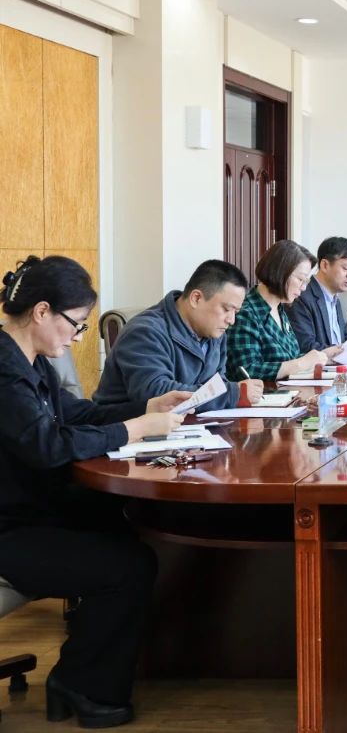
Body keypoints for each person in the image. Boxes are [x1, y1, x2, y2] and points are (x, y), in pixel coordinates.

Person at [0, 256, 191, 727]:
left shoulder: (29, 359)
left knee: (122, 518)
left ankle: (87, 668)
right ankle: (83, 684)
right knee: (127, 567)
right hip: (9, 527)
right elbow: (48, 445)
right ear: (41, 312)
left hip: (33, 507)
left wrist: (144, 409)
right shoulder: (4, 371)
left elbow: (74, 414)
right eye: (76, 324)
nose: (77, 337)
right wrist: (133, 430)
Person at [95, 260, 264, 412]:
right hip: (128, 430)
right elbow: (157, 394)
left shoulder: (215, 333)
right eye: (226, 309)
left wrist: (228, 391)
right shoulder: (145, 332)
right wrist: (233, 394)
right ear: (196, 298)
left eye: (236, 312)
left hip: (189, 427)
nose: (231, 320)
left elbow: (217, 383)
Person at [225, 240, 333, 380]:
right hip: (264, 393)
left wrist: (322, 356)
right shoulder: (245, 312)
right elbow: (246, 370)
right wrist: (301, 363)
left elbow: (289, 358)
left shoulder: (280, 309)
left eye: (306, 281)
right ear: (280, 272)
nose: (304, 287)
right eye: (300, 279)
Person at [288, 236, 347, 353]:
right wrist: (341, 352)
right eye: (346, 268)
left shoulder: (335, 298)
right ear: (325, 265)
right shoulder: (301, 296)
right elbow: (306, 345)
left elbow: (344, 337)